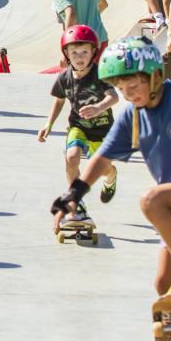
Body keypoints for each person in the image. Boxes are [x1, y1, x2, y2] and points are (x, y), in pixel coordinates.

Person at [51, 36, 171, 296]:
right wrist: (75, 192)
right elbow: (103, 158)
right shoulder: (133, 115)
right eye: (121, 88)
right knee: (164, 285)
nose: (129, 94)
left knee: (152, 200)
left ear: (156, 75)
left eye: (133, 85)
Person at [37, 25, 119, 226]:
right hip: (78, 127)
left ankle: (111, 177)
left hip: (102, 131)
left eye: (84, 52)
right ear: (66, 54)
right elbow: (59, 100)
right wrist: (49, 124)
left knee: (103, 170)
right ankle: (76, 202)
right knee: (71, 157)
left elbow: (114, 96)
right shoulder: (64, 77)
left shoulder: (100, 74)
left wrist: (99, 107)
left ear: (94, 52)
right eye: (74, 53)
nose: (79, 57)